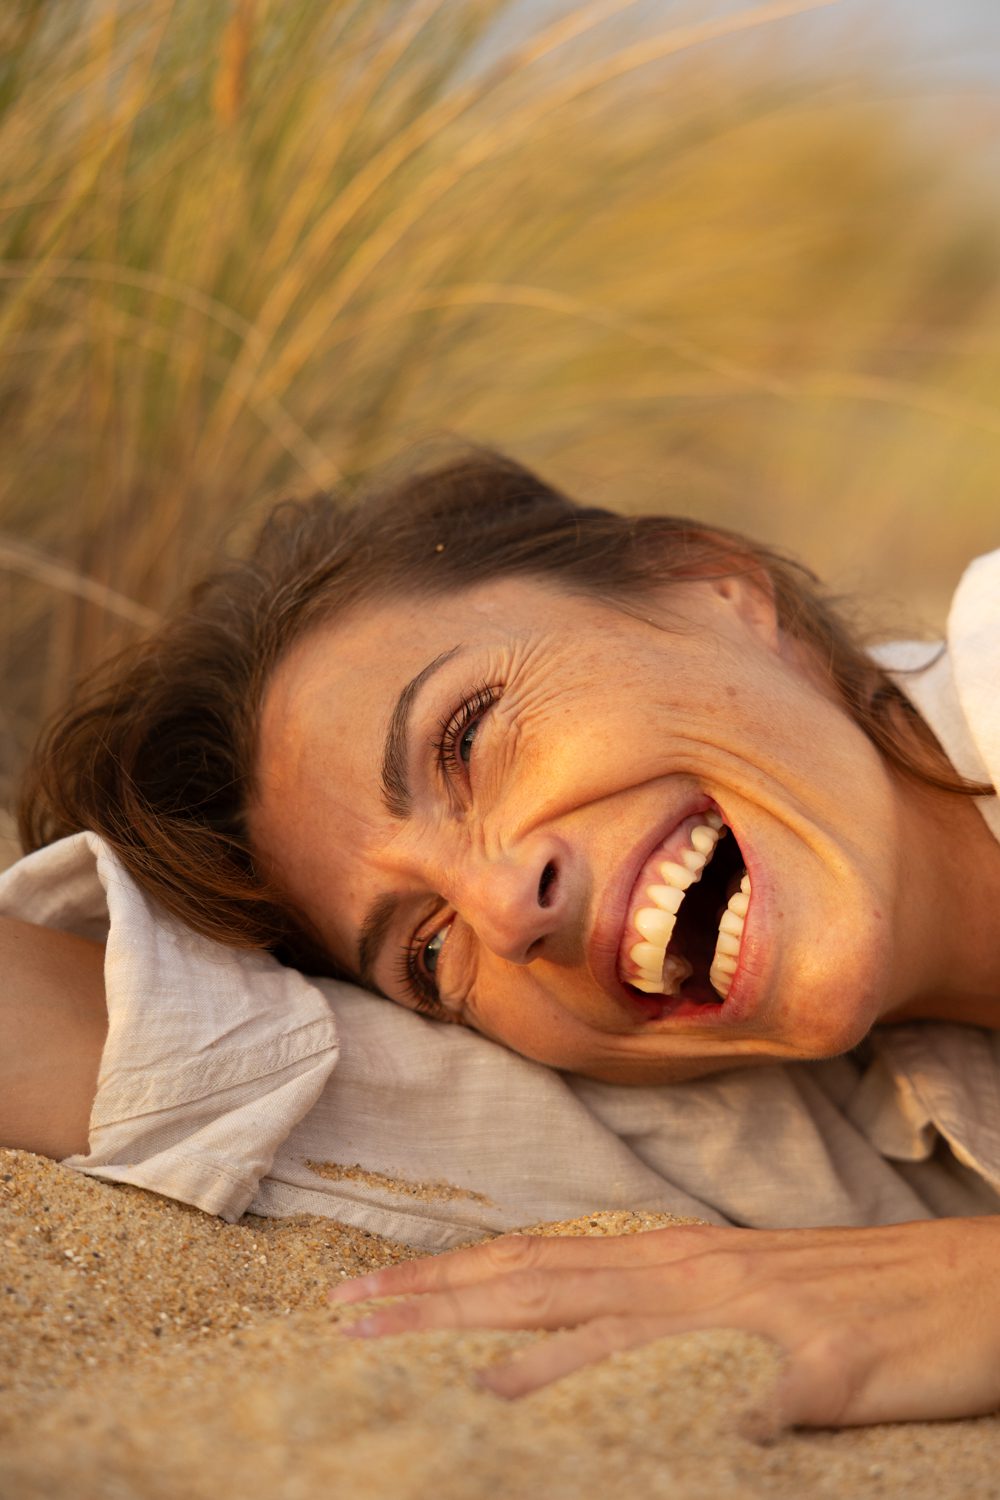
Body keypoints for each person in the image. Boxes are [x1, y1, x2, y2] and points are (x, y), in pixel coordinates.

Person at [6, 448, 1000, 1429]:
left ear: (711, 585)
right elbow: (211, 1066)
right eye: (429, 952)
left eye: (468, 738)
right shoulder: (823, 1114)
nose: (502, 910)